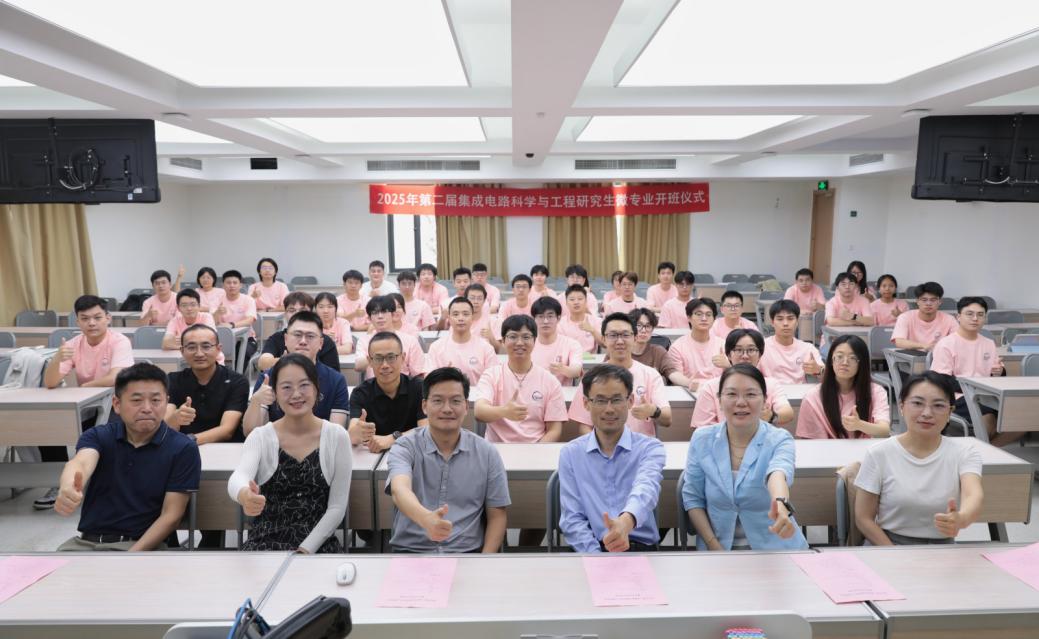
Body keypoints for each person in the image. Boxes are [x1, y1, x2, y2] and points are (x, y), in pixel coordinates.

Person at [54, 363, 200, 551]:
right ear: (117, 404)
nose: (147, 408)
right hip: (86, 544)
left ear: (166, 402)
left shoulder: (182, 448)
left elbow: (171, 516)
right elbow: (80, 463)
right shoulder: (99, 435)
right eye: (136, 400)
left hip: (143, 547)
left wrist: (131, 556)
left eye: (156, 400)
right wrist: (68, 487)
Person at [229, 353, 351, 553]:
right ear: (275, 394)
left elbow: (337, 508)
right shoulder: (261, 436)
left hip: (317, 546)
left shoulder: (337, 436)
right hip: (264, 543)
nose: (296, 394)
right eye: (286, 387)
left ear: (316, 389)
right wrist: (244, 495)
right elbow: (239, 476)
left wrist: (305, 550)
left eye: (304, 385)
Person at [682, 364, 808, 551]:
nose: (741, 402)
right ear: (719, 400)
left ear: (764, 400)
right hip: (717, 550)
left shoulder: (780, 439)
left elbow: (778, 473)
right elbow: (693, 498)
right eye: (731, 394)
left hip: (775, 549)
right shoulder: (702, 439)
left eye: (750, 394)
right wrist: (714, 546)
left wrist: (781, 504)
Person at [386, 367, 510, 553]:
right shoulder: (405, 446)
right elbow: (399, 490)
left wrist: (485, 562)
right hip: (412, 552)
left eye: (455, 401)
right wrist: (426, 519)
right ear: (424, 406)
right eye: (438, 401)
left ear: (466, 406)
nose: (447, 409)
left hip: (466, 553)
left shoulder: (487, 453)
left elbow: (497, 515)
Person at [854, 371, 983, 545]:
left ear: (950, 412)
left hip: (942, 549)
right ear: (901, 406)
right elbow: (863, 518)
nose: (927, 413)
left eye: (938, 405)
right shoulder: (879, 453)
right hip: (887, 545)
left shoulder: (965, 453)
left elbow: (973, 495)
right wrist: (893, 553)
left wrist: (962, 518)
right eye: (917, 403)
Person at [37, 295, 136, 510]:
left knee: (110, 433)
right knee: (49, 425)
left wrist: (86, 387)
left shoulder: (119, 341)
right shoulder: (73, 344)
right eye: (85, 318)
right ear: (77, 321)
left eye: (97, 317)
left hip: (117, 403)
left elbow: (116, 378)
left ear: (108, 318)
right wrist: (57, 358)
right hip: (88, 405)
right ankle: (60, 483)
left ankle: (107, 487)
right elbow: (50, 382)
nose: (91, 323)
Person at [559, 364, 666, 552]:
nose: (609, 409)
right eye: (600, 401)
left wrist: (625, 522)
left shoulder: (650, 448)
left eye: (616, 400)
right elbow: (572, 518)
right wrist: (596, 556)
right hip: (590, 548)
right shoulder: (571, 453)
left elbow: (645, 490)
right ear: (586, 403)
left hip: (638, 547)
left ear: (630, 401)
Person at [244, 311, 349, 437]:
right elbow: (251, 433)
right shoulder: (268, 378)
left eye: (310, 336)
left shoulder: (336, 380)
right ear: (286, 339)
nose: (303, 341)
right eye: (297, 335)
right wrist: (256, 401)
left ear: (321, 343)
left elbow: (335, 434)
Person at [568, 313, 671, 437]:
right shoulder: (592, 376)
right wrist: (601, 446)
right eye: (613, 335)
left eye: (626, 335)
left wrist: (654, 411)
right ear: (604, 339)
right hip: (603, 446)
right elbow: (584, 425)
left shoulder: (650, 374)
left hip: (641, 446)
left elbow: (667, 419)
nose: (620, 341)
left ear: (635, 338)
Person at [474, 315, 567, 443]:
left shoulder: (550, 381)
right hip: (497, 450)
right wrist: (504, 411)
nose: (519, 343)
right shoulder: (491, 375)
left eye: (526, 337)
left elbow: (554, 429)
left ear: (534, 341)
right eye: (513, 337)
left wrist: (536, 451)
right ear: (503, 341)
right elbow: (479, 411)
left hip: (536, 449)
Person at [930, 297, 1008, 444]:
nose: (975, 318)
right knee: (987, 417)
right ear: (958, 317)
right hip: (958, 396)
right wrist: (975, 387)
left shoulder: (988, 343)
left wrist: (999, 372)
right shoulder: (946, 344)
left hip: (988, 394)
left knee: (1025, 416)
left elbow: (996, 372)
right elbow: (941, 380)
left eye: (980, 314)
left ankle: (987, 450)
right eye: (969, 314)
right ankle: (985, 449)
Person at [692, 329, 794, 428]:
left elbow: (787, 412)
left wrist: (771, 416)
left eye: (751, 350)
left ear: (760, 355)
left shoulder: (771, 384)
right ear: (729, 355)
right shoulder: (711, 387)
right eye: (738, 350)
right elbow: (702, 429)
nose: (745, 356)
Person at [165, 324, 249, 444]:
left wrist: (188, 441)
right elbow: (165, 426)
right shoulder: (172, 380)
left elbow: (227, 430)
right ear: (182, 351)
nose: (199, 353)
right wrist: (175, 418)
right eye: (191, 347)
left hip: (224, 449)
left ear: (218, 349)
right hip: (183, 451)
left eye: (206, 346)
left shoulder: (237, 382)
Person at [796, 334, 891, 439]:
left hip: (862, 449)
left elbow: (884, 430)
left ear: (861, 363)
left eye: (852, 358)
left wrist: (860, 425)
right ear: (831, 360)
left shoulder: (876, 391)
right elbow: (808, 442)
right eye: (839, 356)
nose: (845, 362)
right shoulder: (813, 397)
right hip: (824, 449)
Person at [348, 332, 428, 453]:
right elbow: (352, 436)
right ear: (370, 361)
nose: (385, 365)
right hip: (373, 456)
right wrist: (358, 432)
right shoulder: (360, 393)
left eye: (391, 357)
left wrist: (393, 438)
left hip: (413, 453)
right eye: (378, 359)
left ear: (403, 358)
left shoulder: (419, 387)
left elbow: (426, 430)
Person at [258, 292, 340, 372]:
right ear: (285, 314)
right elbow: (262, 363)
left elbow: (333, 374)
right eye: (291, 310)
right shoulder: (276, 338)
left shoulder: (325, 341)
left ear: (311, 313)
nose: (297, 314)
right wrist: (283, 361)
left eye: (303, 310)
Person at [425, 298, 498, 385]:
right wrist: (442, 376)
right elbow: (428, 380)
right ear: (449, 318)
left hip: (479, 394)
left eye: (465, 314)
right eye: (455, 314)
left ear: (472, 317)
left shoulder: (486, 348)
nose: (461, 318)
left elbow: (494, 381)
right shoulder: (436, 347)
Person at [354, 296, 426, 379]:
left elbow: (419, 374)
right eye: (375, 313)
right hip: (374, 385)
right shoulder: (364, 340)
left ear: (392, 315)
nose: (380, 316)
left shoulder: (410, 341)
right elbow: (358, 366)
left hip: (403, 385)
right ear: (370, 318)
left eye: (384, 312)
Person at [665, 298, 729, 391]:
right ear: (689, 317)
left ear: (714, 319)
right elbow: (676, 379)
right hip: (690, 391)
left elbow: (734, 377)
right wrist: (691, 384)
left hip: (719, 392)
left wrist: (728, 365)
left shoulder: (723, 344)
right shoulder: (677, 347)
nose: (704, 318)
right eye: (699, 314)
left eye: (708, 315)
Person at [758, 299, 824, 384]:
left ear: (797, 322)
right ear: (772, 322)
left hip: (799, 391)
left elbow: (827, 375)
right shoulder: (761, 346)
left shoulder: (807, 348)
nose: (785, 323)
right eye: (780, 319)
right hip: (770, 391)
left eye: (790, 318)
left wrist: (818, 370)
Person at [531, 296, 585, 386]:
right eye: (540, 316)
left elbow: (576, 371)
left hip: (561, 392)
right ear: (534, 319)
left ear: (558, 318)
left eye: (550, 316)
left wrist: (563, 369)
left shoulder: (571, 344)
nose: (545, 321)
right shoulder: (527, 344)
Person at [162, 290, 223, 366]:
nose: (189, 308)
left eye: (193, 304)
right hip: (186, 361)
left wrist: (184, 343)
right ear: (178, 308)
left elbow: (210, 340)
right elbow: (166, 343)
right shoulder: (174, 321)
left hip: (212, 361)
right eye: (184, 305)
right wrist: (192, 344)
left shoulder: (207, 317)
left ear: (199, 306)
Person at [891, 281, 958, 351]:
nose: (928, 303)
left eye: (933, 300)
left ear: (940, 301)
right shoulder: (905, 317)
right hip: (912, 356)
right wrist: (924, 346)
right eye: (924, 300)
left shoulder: (949, 319)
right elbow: (899, 342)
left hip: (939, 356)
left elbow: (958, 340)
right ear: (917, 301)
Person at [216, 269, 258, 364]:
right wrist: (217, 313)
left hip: (246, 339)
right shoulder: (218, 300)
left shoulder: (248, 300)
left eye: (235, 283)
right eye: (228, 283)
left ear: (240, 285)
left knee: (242, 353)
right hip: (222, 339)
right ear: (223, 285)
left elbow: (250, 320)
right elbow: (212, 321)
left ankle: (236, 373)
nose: (232, 285)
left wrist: (232, 325)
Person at [629, 308, 677, 381]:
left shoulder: (658, 351)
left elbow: (672, 373)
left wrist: (689, 382)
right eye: (639, 325)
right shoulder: (620, 350)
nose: (643, 330)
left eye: (648, 326)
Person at [557, 284, 601, 353]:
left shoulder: (596, 321)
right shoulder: (560, 324)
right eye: (572, 299)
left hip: (591, 358)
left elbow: (605, 344)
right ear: (566, 303)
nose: (576, 302)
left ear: (586, 301)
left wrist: (592, 330)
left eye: (580, 299)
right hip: (569, 358)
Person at [465, 283, 499, 349]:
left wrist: (491, 337)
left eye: (479, 298)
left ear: (484, 301)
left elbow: (499, 351)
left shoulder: (493, 321)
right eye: (472, 298)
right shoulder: (460, 321)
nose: (476, 302)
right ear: (466, 299)